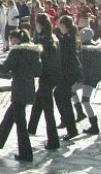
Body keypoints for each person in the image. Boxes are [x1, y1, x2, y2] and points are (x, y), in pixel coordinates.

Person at [0, 29, 42, 163]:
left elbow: (3, 69)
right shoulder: (34, 51)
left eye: (11, 39)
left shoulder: (16, 52)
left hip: (19, 88)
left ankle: (26, 154)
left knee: (20, 123)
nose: (10, 42)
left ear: (16, 39)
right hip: (29, 87)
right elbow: (39, 71)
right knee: (10, 116)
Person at [27, 13, 61, 150]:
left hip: (46, 76)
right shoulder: (53, 37)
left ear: (39, 24)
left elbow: (39, 60)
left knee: (48, 109)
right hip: (54, 75)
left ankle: (53, 140)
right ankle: (31, 128)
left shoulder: (43, 40)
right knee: (38, 100)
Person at [70, 27, 101, 135]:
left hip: (87, 78)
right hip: (92, 78)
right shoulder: (97, 48)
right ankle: (80, 113)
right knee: (72, 90)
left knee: (85, 101)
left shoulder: (84, 50)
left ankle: (94, 126)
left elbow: (81, 66)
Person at [54, 15, 82, 140]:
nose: (58, 26)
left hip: (69, 72)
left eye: (59, 24)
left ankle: (72, 129)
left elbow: (64, 58)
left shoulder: (66, 39)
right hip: (69, 71)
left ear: (64, 25)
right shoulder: (66, 37)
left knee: (63, 97)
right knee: (59, 95)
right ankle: (66, 120)